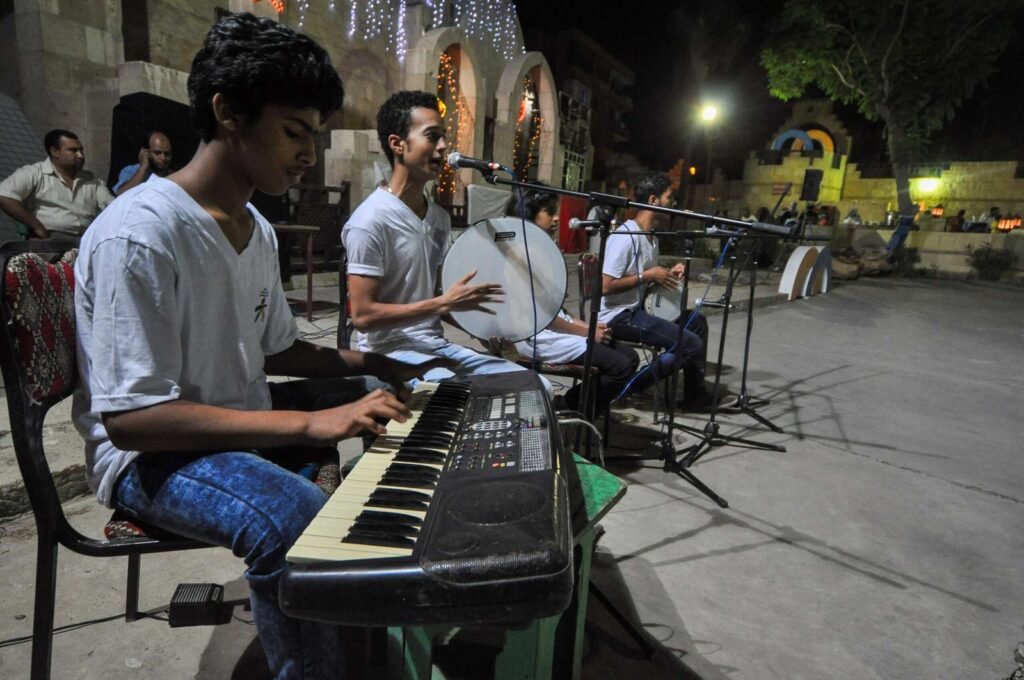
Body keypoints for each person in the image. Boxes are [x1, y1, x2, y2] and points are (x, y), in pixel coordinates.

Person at [73, 14, 447, 678]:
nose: (307, 154)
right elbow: (131, 419)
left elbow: (277, 350)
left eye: (314, 136)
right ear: (228, 114)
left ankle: (358, 578)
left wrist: (377, 363)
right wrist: (306, 420)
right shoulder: (140, 234)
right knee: (290, 515)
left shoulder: (255, 230)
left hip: (227, 420)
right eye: (294, 133)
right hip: (148, 457)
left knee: (373, 392)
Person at [342, 90, 538, 385]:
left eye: (443, 137)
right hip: (388, 351)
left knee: (531, 385)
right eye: (432, 136)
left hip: (434, 346)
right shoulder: (369, 220)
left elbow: (434, 297)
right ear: (397, 144)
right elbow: (363, 316)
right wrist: (443, 303)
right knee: (455, 394)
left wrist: (480, 330)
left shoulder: (438, 218)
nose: (444, 147)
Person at [498, 184, 639, 413]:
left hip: (554, 327)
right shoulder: (522, 253)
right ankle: (565, 408)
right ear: (529, 213)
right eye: (549, 211)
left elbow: (556, 307)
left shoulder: (543, 248)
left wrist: (589, 325)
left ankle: (580, 410)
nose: (556, 218)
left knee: (630, 357)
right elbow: (542, 317)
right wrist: (587, 332)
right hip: (536, 336)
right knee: (620, 366)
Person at [599, 171, 714, 410]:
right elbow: (604, 286)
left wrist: (667, 274)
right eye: (669, 197)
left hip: (638, 309)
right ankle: (627, 387)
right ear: (653, 200)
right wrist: (648, 275)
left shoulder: (650, 237)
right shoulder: (625, 236)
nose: (673, 203)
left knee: (697, 322)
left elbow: (644, 280)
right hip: (618, 315)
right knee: (689, 344)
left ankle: (695, 396)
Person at [0, 129, 114, 241]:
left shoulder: (93, 181)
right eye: (73, 150)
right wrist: (37, 227)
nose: (81, 155)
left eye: (81, 150)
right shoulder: (34, 173)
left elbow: (114, 208)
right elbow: (4, 195)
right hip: (50, 238)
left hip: (86, 240)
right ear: (55, 152)